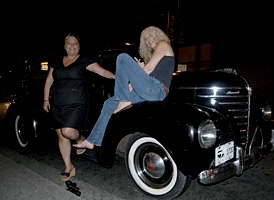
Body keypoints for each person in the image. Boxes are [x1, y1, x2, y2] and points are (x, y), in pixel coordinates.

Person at [73, 26, 175, 151]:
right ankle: (92, 140)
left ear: (157, 34)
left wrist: (141, 70)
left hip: (157, 89)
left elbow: (148, 69)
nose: (148, 40)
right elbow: (146, 74)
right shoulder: (154, 54)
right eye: (145, 38)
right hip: (148, 90)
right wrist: (135, 76)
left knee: (122, 58)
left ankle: (124, 100)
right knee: (109, 103)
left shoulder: (163, 44)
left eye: (150, 36)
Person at [43, 33, 115, 181]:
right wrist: (45, 99)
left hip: (77, 103)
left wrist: (116, 77)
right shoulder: (56, 61)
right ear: (64, 46)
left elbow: (101, 71)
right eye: (69, 43)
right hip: (57, 103)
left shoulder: (84, 60)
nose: (72, 46)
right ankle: (69, 166)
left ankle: (80, 138)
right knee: (61, 135)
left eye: (75, 43)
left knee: (68, 132)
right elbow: (49, 81)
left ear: (79, 46)